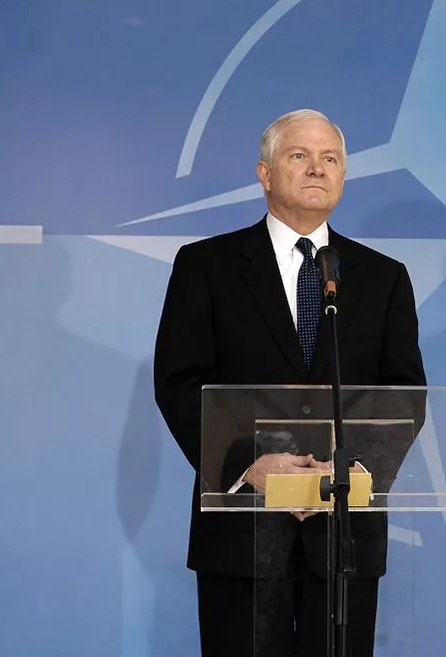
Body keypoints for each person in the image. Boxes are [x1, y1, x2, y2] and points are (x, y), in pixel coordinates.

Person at [154, 109, 426, 657]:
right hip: (244, 532)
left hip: (342, 530)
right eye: (299, 156)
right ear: (264, 173)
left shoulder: (382, 276)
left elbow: (403, 394)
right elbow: (181, 382)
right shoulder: (206, 265)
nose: (317, 169)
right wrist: (251, 465)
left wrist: (350, 470)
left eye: (330, 159)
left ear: (344, 178)